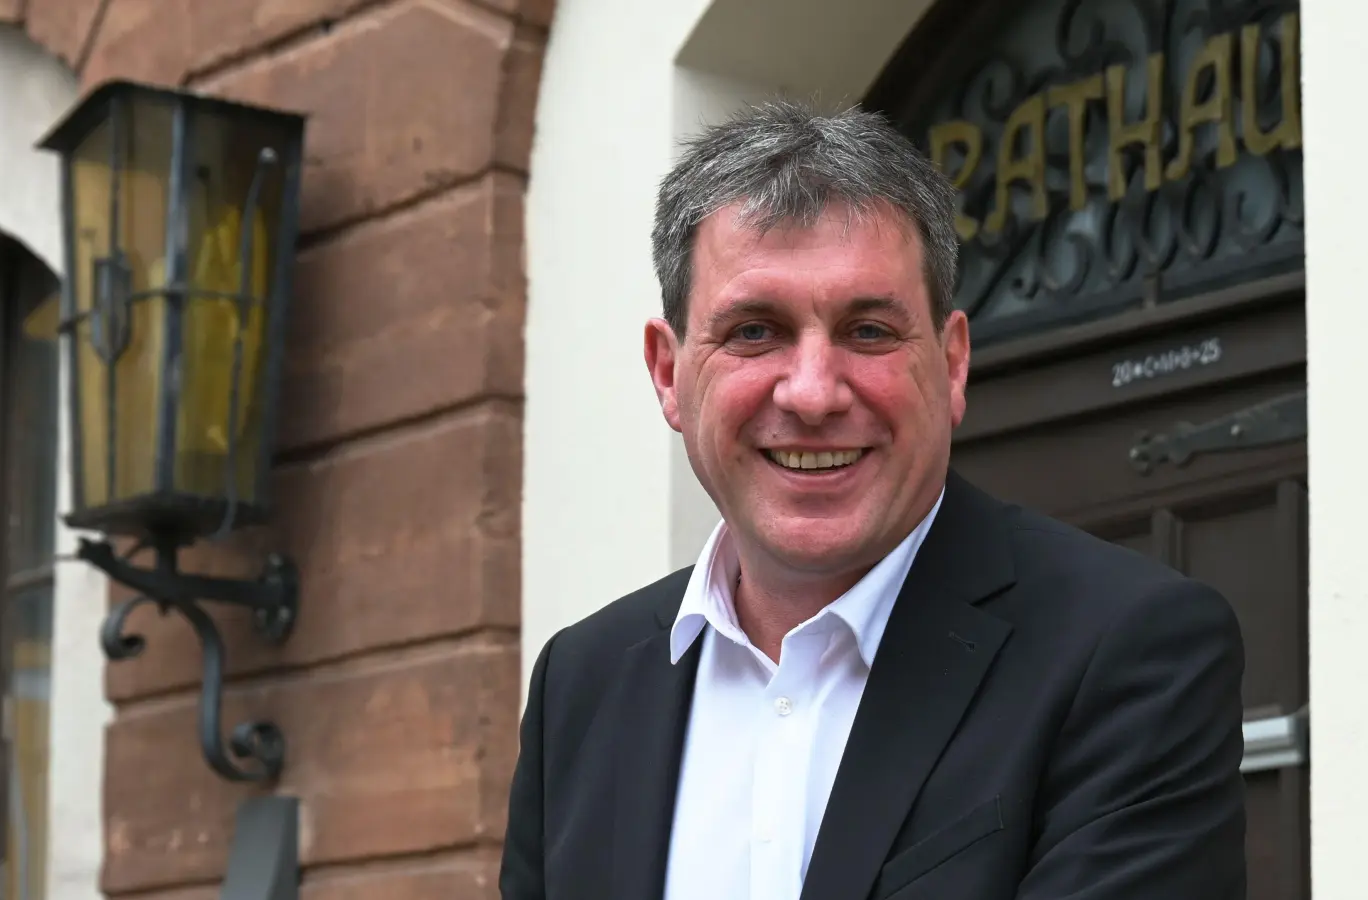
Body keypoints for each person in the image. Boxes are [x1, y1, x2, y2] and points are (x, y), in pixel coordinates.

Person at [499, 100, 1247, 900]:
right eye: (755, 331)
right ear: (667, 372)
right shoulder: (582, 684)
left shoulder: (1130, 653)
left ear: (952, 365)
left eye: (868, 332)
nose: (814, 394)